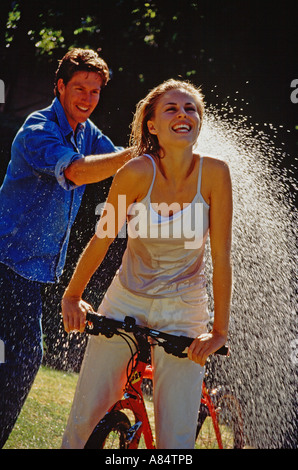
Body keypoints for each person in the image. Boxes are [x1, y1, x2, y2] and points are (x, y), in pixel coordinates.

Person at [61, 79, 233, 449]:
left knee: (177, 438)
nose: (183, 114)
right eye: (171, 108)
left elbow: (221, 256)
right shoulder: (137, 172)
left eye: (191, 109)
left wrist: (218, 331)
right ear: (152, 125)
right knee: (84, 422)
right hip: (127, 299)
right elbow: (102, 238)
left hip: (185, 308)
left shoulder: (216, 174)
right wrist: (72, 296)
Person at [0, 48, 133, 448]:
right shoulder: (39, 128)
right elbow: (76, 171)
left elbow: (120, 166)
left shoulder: (87, 132)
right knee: (23, 358)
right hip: (6, 262)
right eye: (79, 88)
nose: (87, 98)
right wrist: (137, 153)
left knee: (17, 359)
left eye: (95, 91)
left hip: (28, 269)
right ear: (60, 87)